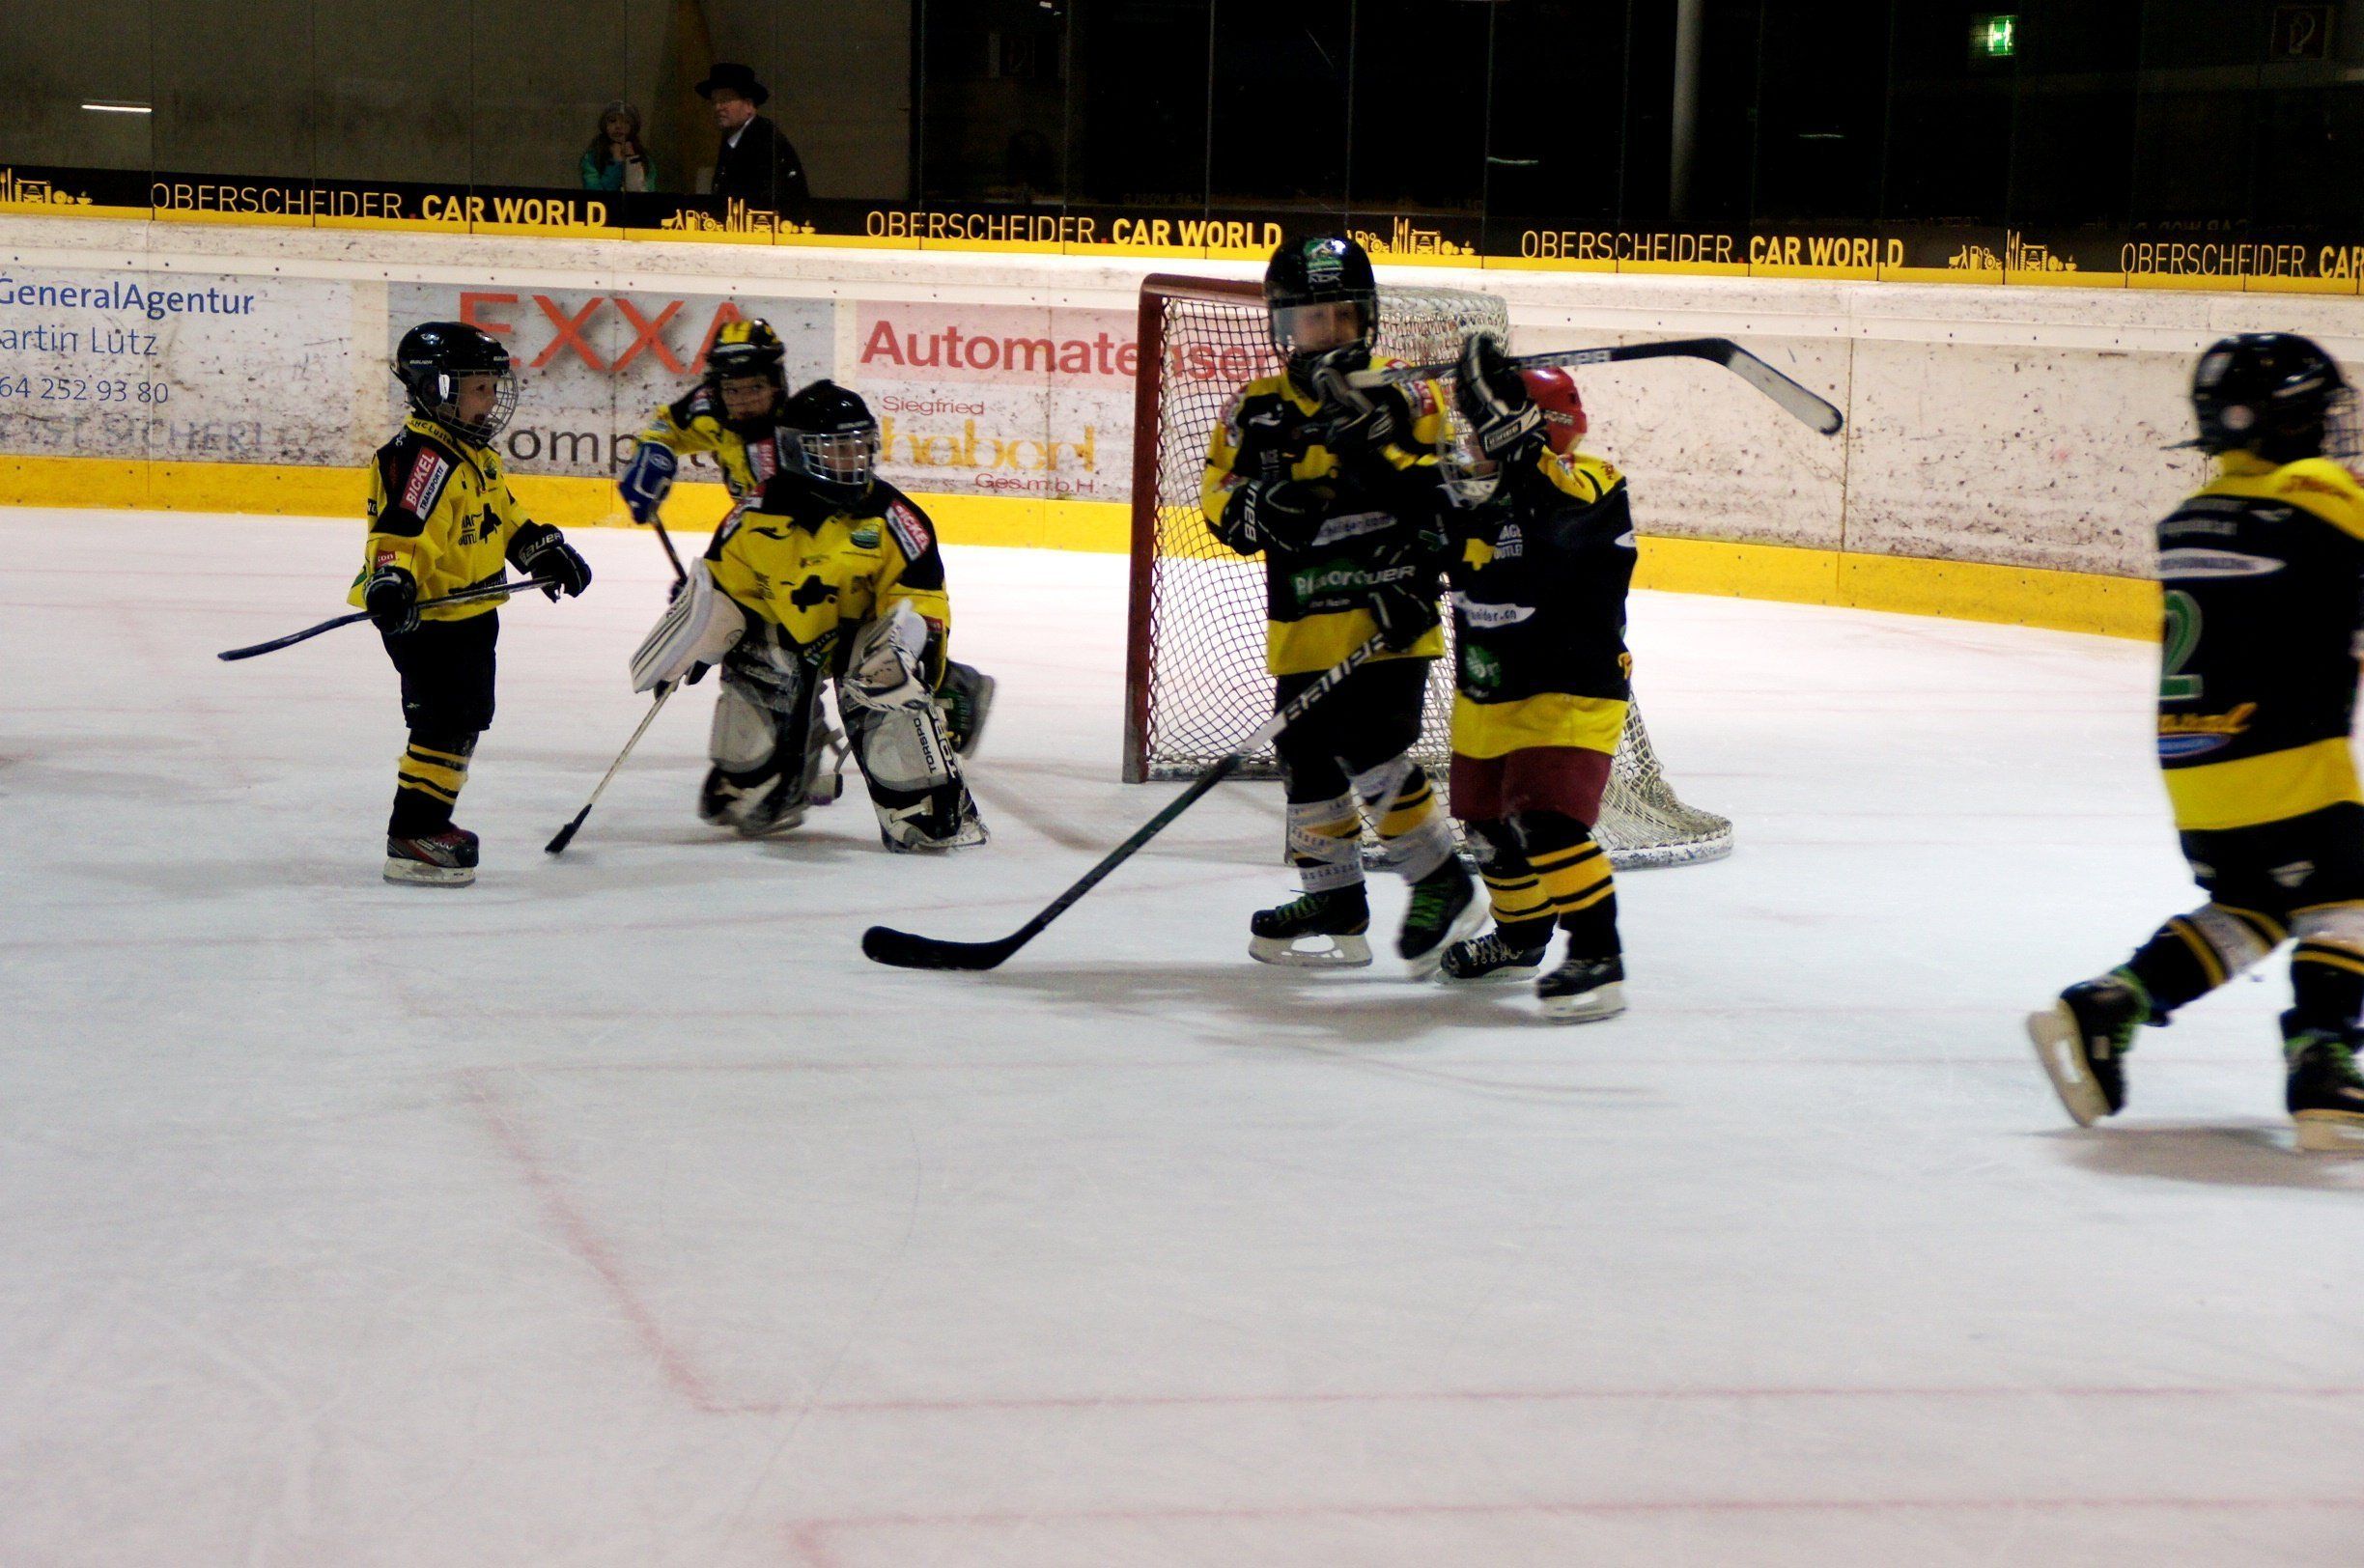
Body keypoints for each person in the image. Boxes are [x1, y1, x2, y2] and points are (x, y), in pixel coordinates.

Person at [2029, 332, 2364, 1150]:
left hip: (2197, 766)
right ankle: (2323, 1062)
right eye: (2320, 412)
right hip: (2287, 760)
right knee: (2350, 899)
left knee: (2256, 906)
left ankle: (2109, 1004)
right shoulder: (2319, 495)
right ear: (2290, 422)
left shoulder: (2189, 517)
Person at [1200, 234, 1479, 970]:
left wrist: (1390, 467)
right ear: (1283, 326)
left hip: (1390, 618)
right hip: (1303, 624)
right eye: (1311, 318)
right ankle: (1334, 898)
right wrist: (1265, 505)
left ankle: (1442, 881)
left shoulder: (1411, 394)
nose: (1327, 332)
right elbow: (1219, 500)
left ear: (1367, 318)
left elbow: (1452, 499)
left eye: (1341, 317)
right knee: (1305, 755)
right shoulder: (1256, 408)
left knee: (1370, 744)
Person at [618, 322, 995, 828]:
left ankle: (949, 692)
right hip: (778, 561)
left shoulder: (806, 432)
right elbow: (668, 425)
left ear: (777, 383)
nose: (743, 399)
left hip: (842, 570)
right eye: (732, 388)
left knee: (882, 661)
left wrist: (917, 642)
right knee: (764, 659)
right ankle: (778, 759)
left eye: (755, 386)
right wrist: (655, 450)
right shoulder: (711, 408)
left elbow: (914, 590)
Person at [1430, 335, 1635, 1022]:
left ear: (1533, 427)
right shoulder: (1473, 494)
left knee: (1546, 824)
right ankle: (1519, 940)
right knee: (1488, 827)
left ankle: (1597, 956)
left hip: (1568, 685)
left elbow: (1558, 521)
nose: (1475, 441)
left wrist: (1518, 444)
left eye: (1489, 425)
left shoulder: (1594, 482)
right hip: (1489, 685)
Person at [354, 322, 592, 885]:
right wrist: (391, 582)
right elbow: (399, 533)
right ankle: (414, 833)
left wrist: (540, 549)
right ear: (436, 389)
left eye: (492, 386)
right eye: (478, 388)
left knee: (462, 720)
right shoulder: (423, 459)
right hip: (429, 617)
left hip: (471, 611)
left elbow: (501, 516)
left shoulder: (472, 453)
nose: (490, 400)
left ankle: (427, 824)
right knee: (442, 723)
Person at [696, 63, 810, 220]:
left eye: (726, 100)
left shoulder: (764, 141)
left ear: (749, 105)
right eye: (714, 101)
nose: (718, 107)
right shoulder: (732, 139)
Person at [578, 101, 658, 192]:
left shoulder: (644, 159)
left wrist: (632, 160)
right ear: (605, 125)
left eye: (626, 121)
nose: (618, 126)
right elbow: (594, 191)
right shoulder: (593, 157)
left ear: (632, 126)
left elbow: (644, 191)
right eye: (612, 121)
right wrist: (616, 162)